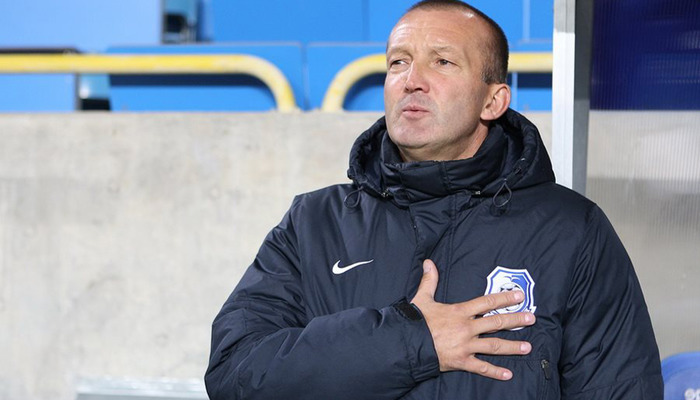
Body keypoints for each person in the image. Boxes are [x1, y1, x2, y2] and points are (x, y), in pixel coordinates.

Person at [205, 0, 663, 398]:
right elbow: (235, 374)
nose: (412, 80)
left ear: (493, 101)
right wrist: (411, 342)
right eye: (398, 62)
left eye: (442, 62)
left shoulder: (571, 230)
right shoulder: (313, 223)